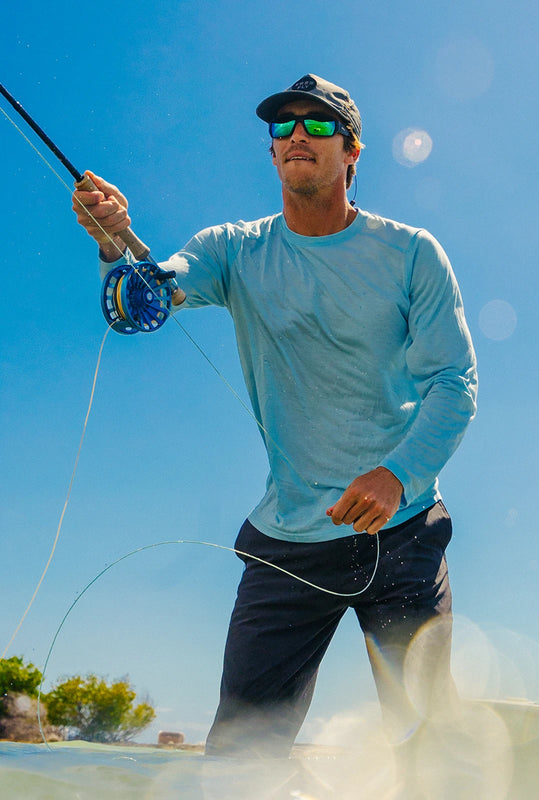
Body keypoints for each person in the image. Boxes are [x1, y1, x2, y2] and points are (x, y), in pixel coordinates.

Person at [72, 74, 477, 762]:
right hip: (287, 544)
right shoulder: (232, 248)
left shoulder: (412, 253)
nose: (297, 135)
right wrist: (116, 241)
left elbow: (455, 382)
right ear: (271, 152)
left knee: (431, 749)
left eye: (318, 125)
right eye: (283, 126)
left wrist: (397, 476)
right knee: (238, 759)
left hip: (402, 532)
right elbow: (147, 300)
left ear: (352, 152)